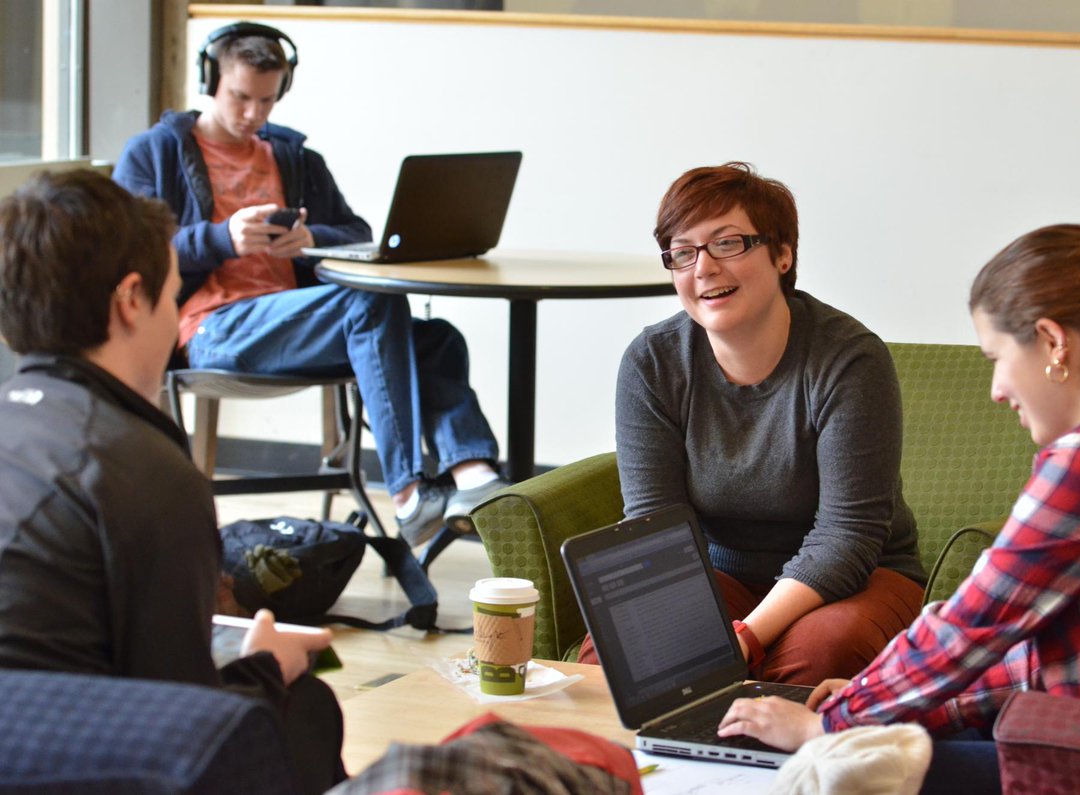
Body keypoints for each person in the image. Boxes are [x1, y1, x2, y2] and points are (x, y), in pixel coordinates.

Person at [717, 221, 1080, 792]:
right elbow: (1029, 650)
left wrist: (831, 725)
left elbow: (976, 622)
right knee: (900, 745)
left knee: (841, 773)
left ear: (1053, 342)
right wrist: (873, 704)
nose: (996, 389)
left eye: (997, 357)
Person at [0, 169, 346, 794]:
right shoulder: (147, 472)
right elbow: (184, 725)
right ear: (132, 300)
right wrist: (264, 668)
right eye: (173, 296)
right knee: (307, 706)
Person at [112, 21, 506, 546]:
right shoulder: (154, 152)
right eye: (241, 97)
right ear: (211, 80)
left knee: (438, 339)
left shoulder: (294, 158)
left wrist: (311, 238)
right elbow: (130, 248)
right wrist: (222, 238)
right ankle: (410, 495)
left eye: (267, 100)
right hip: (211, 328)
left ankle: (474, 477)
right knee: (368, 303)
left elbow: (357, 232)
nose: (253, 114)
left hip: (295, 322)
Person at [578, 162, 927, 685]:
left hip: (859, 577)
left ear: (782, 255)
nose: (703, 268)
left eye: (728, 244)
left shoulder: (849, 359)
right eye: (683, 252)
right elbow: (655, 526)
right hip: (718, 573)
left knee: (822, 652)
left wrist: (745, 636)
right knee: (626, 651)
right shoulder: (653, 361)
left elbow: (847, 535)